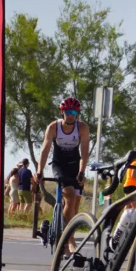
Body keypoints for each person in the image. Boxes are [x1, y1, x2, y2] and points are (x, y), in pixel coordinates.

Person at [36, 98, 90, 233]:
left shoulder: (82, 128)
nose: (70, 115)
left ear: (77, 114)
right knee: (70, 195)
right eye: (67, 112)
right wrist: (39, 171)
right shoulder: (53, 127)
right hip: (59, 164)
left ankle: (66, 230)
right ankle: (66, 240)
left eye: (73, 112)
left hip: (75, 165)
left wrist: (82, 172)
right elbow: (45, 150)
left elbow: (84, 154)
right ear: (62, 112)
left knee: (75, 206)